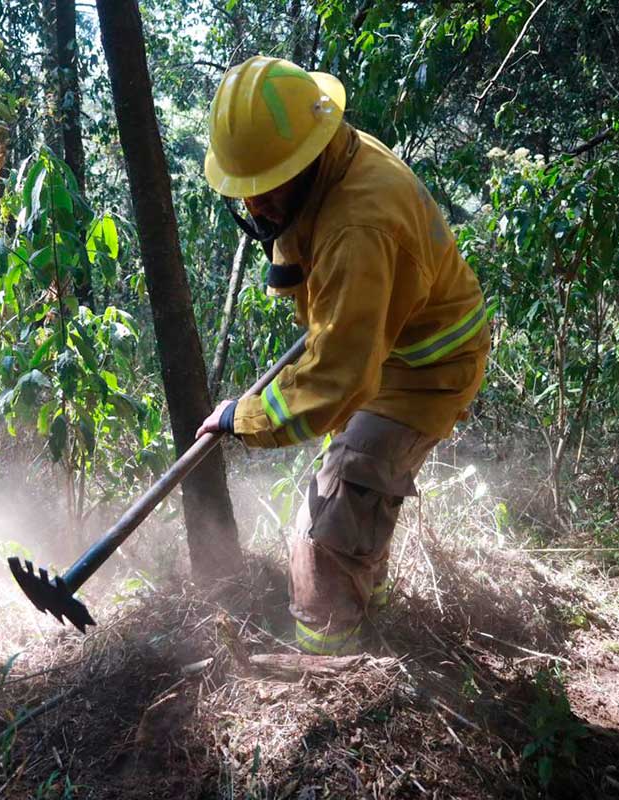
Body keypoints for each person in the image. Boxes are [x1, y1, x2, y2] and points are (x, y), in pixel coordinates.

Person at [197, 56, 490, 655]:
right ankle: (373, 616)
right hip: (387, 349)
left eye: (265, 188)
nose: (255, 207)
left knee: (322, 532)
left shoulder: (360, 229)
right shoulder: (332, 158)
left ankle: (333, 670)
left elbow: (340, 377)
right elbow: (320, 283)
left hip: (423, 371)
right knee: (354, 490)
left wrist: (244, 416)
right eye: (247, 190)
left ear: (303, 162)